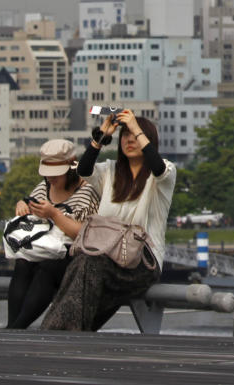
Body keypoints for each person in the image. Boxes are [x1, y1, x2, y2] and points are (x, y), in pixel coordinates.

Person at [41, 111, 175, 331]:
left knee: (90, 262)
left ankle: (55, 331)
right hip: (105, 256)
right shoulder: (110, 171)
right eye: (125, 135)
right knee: (81, 262)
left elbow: (158, 167)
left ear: (147, 138)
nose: (129, 140)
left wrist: (133, 124)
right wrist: (101, 136)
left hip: (142, 261)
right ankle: (64, 331)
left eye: (135, 135)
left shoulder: (163, 173)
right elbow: (83, 170)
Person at [6, 139, 100, 329]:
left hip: (71, 255)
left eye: (56, 174)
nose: (51, 179)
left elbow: (84, 235)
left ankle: (16, 328)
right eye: (48, 174)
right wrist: (22, 205)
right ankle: (12, 325)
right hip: (43, 248)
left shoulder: (87, 190)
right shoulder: (44, 187)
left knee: (48, 269)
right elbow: (33, 218)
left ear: (71, 166)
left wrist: (54, 214)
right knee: (23, 263)